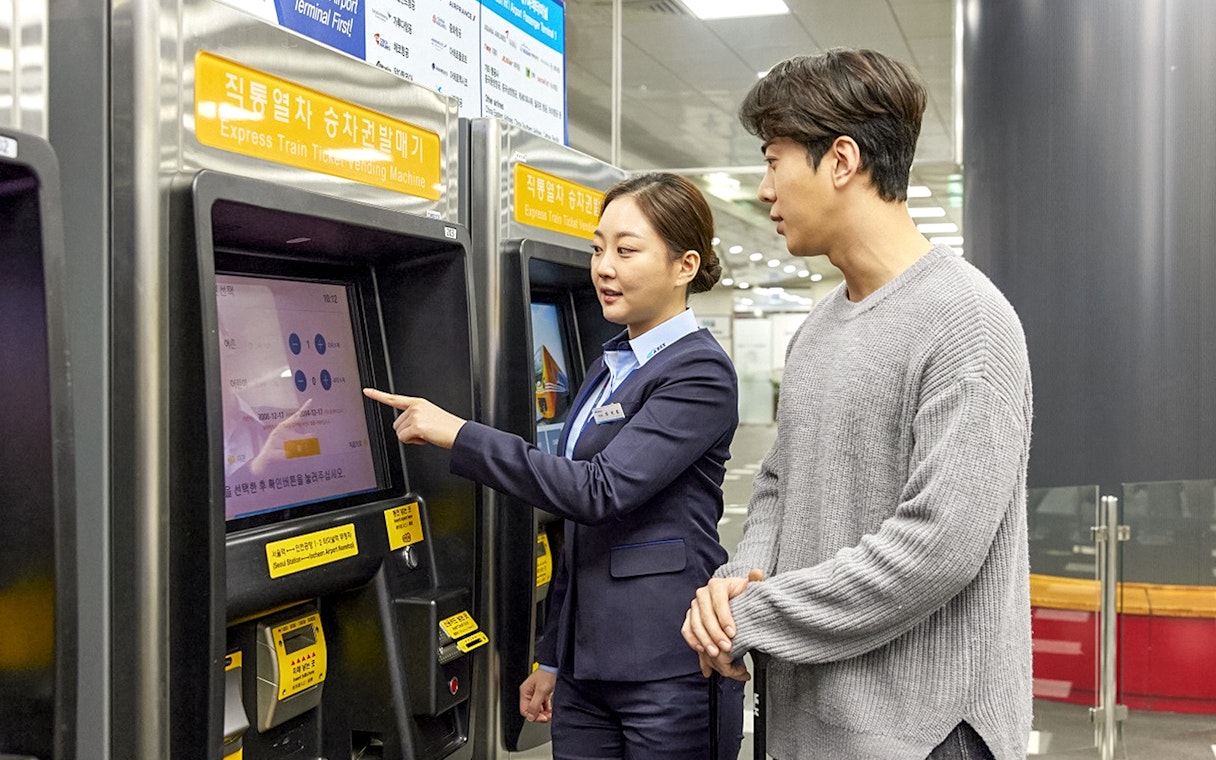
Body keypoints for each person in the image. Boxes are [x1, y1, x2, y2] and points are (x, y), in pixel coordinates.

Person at [681, 48, 1033, 760]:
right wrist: (733, 587)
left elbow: (937, 548)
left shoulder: (967, 320)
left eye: (774, 158)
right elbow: (778, 486)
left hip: (922, 734)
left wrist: (756, 616)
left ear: (840, 160)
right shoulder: (819, 325)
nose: (763, 188)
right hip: (806, 721)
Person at [364, 173, 745, 759]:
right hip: (587, 668)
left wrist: (459, 434)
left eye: (626, 249)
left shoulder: (699, 372)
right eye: (598, 248)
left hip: (668, 665)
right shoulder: (611, 362)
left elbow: (598, 491)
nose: (604, 267)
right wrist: (552, 655)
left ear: (684, 265)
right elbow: (579, 529)